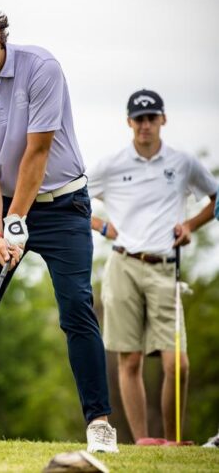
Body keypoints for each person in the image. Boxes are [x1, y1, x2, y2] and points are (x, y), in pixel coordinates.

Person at [0, 3, 118, 453]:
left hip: (63, 203)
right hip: (1, 207)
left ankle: (99, 425)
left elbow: (37, 153)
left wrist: (16, 219)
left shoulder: (42, 68)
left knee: (76, 307)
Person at [87, 89, 218, 444]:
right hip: (123, 264)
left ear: (163, 120)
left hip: (164, 268)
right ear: (129, 122)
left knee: (178, 364)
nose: (145, 125)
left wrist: (191, 225)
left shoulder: (183, 162)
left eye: (152, 117)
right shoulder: (112, 164)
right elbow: (70, 197)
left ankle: (173, 438)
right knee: (129, 361)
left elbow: (215, 198)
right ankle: (144, 440)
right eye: (139, 119)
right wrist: (100, 225)